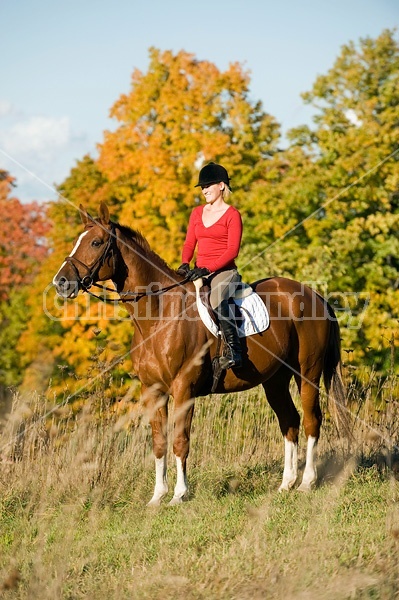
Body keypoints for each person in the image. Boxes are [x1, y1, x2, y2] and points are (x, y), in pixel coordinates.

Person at [177, 162, 243, 369]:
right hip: (199, 272)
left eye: (208, 185)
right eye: (202, 187)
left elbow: (232, 251)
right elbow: (189, 243)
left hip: (224, 272)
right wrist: (184, 263)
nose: (204, 190)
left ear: (221, 186)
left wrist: (208, 269)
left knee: (215, 300)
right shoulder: (197, 213)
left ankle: (234, 351)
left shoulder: (233, 215)